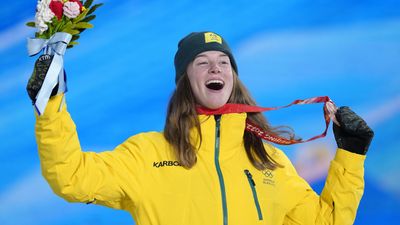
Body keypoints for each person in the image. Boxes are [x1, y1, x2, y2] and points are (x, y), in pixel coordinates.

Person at [27, 31, 374, 225]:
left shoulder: (270, 161)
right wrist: (51, 106)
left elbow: (326, 222)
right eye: (203, 62)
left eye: (224, 62)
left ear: (234, 80)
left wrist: (352, 154)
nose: (216, 69)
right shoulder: (147, 154)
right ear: (184, 81)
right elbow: (72, 177)